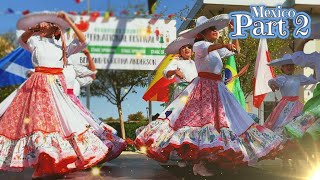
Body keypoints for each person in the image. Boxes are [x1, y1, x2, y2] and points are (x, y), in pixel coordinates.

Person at [135, 15, 282, 176]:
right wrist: (224, 44)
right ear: (203, 32)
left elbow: (236, 50)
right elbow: (211, 48)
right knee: (201, 123)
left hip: (218, 89)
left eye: (216, 29)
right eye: (212, 29)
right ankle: (198, 162)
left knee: (225, 123)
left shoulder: (215, 49)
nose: (216, 31)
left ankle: (208, 160)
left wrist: (234, 34)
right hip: (203, 89)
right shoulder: (199, 45)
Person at [0, 11, 125, 178]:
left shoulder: (64, 47)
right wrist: (34, 29)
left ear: (56, 29)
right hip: (37, 87)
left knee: (64, 123)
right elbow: (21, 40)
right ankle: (42, 163)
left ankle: (58, 161)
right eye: (42, 24)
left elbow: (83, 40)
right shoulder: (36, 41)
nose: (44, 26)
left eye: (48, 24)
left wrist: (67, 21)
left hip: (57, 88)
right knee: (37, 124)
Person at [264, 55, 317, 134]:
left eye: (291, 65)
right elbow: (272, 82)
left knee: (300, 121)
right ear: (282, 67)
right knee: (282, 122)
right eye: (286, 65)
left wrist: (315, 67)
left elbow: (313, 80)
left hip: (297, 104)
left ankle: (296, 140)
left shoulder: (298, 78)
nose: (289, 67)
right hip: (285, 105)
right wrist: (273, 85)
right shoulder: (282, 78)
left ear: (294, 66)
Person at [284, 39, 320, 140]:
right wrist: (305, 40)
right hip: (318, 100)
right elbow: (298, 57)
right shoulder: (317, 58)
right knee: (309, 123)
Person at [163, 36, 198, 102]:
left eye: (189, 47)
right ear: (180, 52)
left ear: (192, 51)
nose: (186, 49)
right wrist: (175, 71)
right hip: (182, 91)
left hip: (195, 91)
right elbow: (165, 73)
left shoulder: (196, 63)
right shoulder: (177, 62)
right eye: (183, 48)